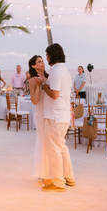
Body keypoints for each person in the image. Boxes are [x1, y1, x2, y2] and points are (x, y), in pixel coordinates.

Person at [41, 43, 75, 192]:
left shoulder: (55, 71)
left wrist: (44, 86)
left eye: (47, 55)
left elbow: (54, 94)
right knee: (61, 147)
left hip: (55, 116)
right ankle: (69, 177)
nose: (46, 58)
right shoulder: (65, 70)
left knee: (54, 149)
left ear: (51, 56)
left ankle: (58, 182)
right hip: (63, 115)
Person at [28, 55, 50, 185]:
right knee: (43, 141)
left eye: (42, 61)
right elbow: (34, 100)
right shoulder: (32, 80)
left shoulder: (48, 76)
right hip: (41, 113)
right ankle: (43, 172)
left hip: (51, 112)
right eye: (39, 62)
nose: (42, 63)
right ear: (33, 66)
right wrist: (39, 85)